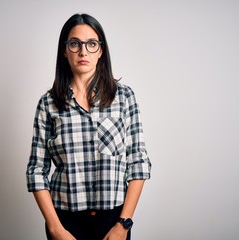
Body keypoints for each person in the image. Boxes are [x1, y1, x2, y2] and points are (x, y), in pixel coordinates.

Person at [26, 13, 151, 240]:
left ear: (101, 50)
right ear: (64, 50)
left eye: (91, 44)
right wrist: (55, 229)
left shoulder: (124, 97)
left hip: (113, 220)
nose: (83, 51)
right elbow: (36, 171)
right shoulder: (48, 104)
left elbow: (138, 163)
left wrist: (123, 224)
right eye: (75, 43)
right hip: (65, 222)